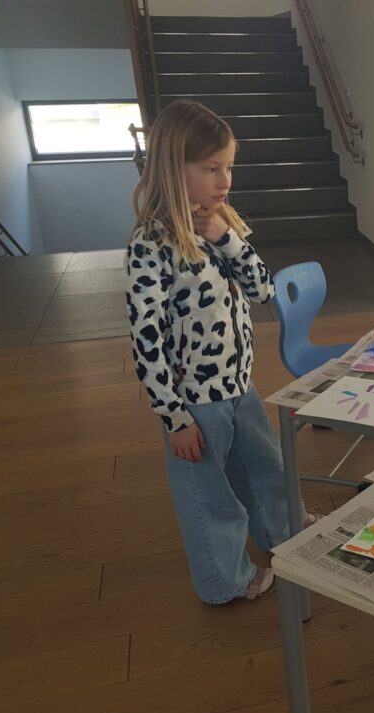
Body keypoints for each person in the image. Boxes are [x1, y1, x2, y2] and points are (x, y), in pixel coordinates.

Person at [125, 99, 289, 604]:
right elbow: (146, 338)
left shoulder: (222, 224)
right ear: (173, 169)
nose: (225, 181)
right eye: (211, 169)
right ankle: (225, 580)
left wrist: (227, 238)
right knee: (209, 497)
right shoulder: (151, 244)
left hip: (239, 383)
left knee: (265, 467)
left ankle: (282, 532)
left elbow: (264, 291)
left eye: (229, 167)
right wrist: (174, 417)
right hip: (193, 400)